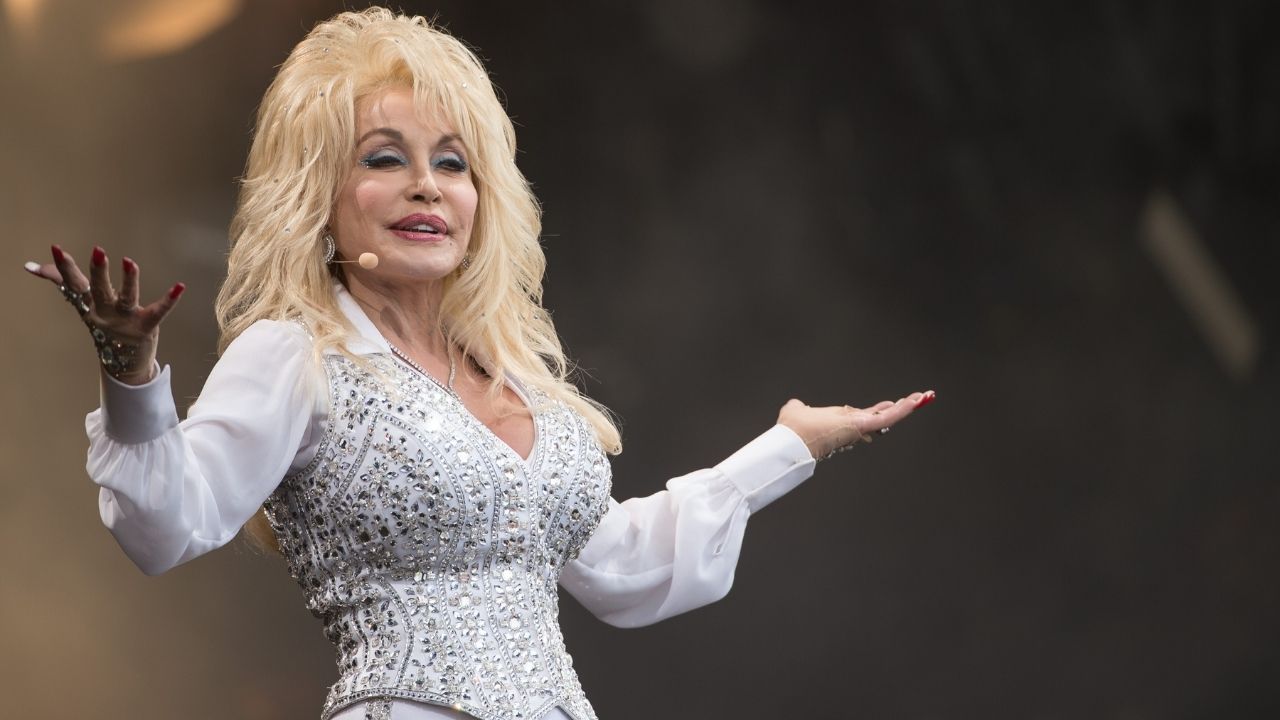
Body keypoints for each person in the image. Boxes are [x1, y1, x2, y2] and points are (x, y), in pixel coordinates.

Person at [24, 8, 934, 720]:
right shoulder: (297, 353)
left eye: (452, 163)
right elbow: (168, 522)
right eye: (386, 158)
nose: (427, 183)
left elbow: (622, 567)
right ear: (319, 197)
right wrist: (132, 374)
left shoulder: (516, 377)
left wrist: (792, 446)